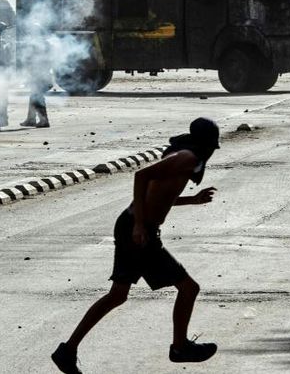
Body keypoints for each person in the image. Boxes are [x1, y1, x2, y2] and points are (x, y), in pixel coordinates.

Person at [51, 118, 221, 373]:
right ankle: (180, 347)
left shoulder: (184, 157)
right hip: (138, 230)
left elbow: (159, 197)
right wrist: (140, 226)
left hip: (136, 227)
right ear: (206, 143)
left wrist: (192, 201)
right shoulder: (186, 157)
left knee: (117, 295)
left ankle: (67, 351)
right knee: (188, 288)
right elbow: (141, 177)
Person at [20, 22, 50, 128]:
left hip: (39, 74)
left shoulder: (39, 43)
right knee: (33, 96)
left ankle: (44, 120)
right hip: (40, 73)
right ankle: (31, 119)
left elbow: (34, 59)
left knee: (37, 97)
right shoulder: (43, 42)